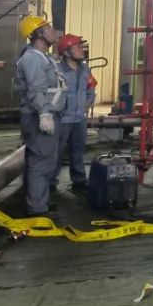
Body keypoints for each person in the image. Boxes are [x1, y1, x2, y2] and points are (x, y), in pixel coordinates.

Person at [14, 16, 65, 216]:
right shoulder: (33, 59)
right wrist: (44, 114)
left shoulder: (44, 57)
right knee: (41, 161)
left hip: (47, 113)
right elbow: (36, 90)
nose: (54, 31)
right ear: (38, 34)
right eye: (49, 28)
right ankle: (37, 208)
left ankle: (37, 200)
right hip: (40, 115)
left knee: (41, 160)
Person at [54, 34, 95, 194]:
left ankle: (79, 181)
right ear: (66, 52)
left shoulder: (85, 69)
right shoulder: (57, 70)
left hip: (79, 119)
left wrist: (87, 104)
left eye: (81, 46)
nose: (81, 49)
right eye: (77, 47)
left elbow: (91, 90)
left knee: (78, 150)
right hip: (62, 119)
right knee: (56, 152)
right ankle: (50, 184)